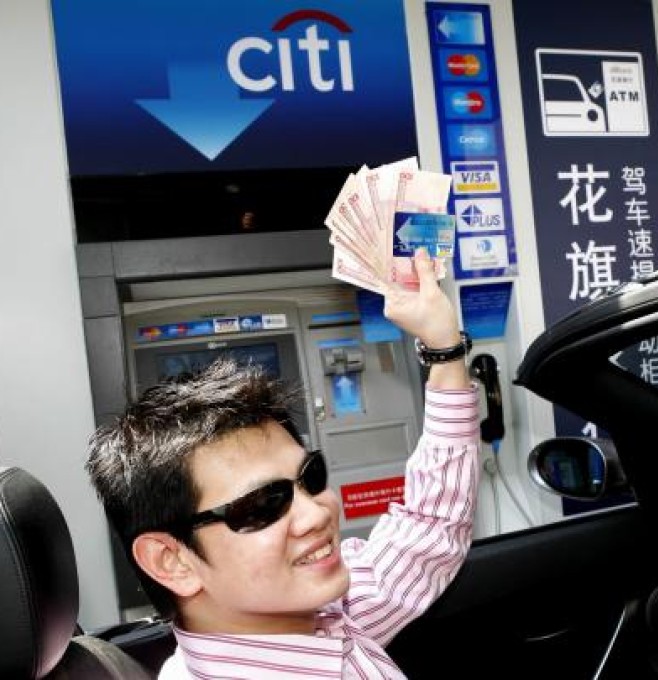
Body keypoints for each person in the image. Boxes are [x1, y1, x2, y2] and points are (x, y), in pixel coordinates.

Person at [86, 249, 479, 678]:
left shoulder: (320, 621)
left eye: (310, 478)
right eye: (261, 506)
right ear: (172, 561)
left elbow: (427, 526)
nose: (317, 513)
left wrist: (445, 352)